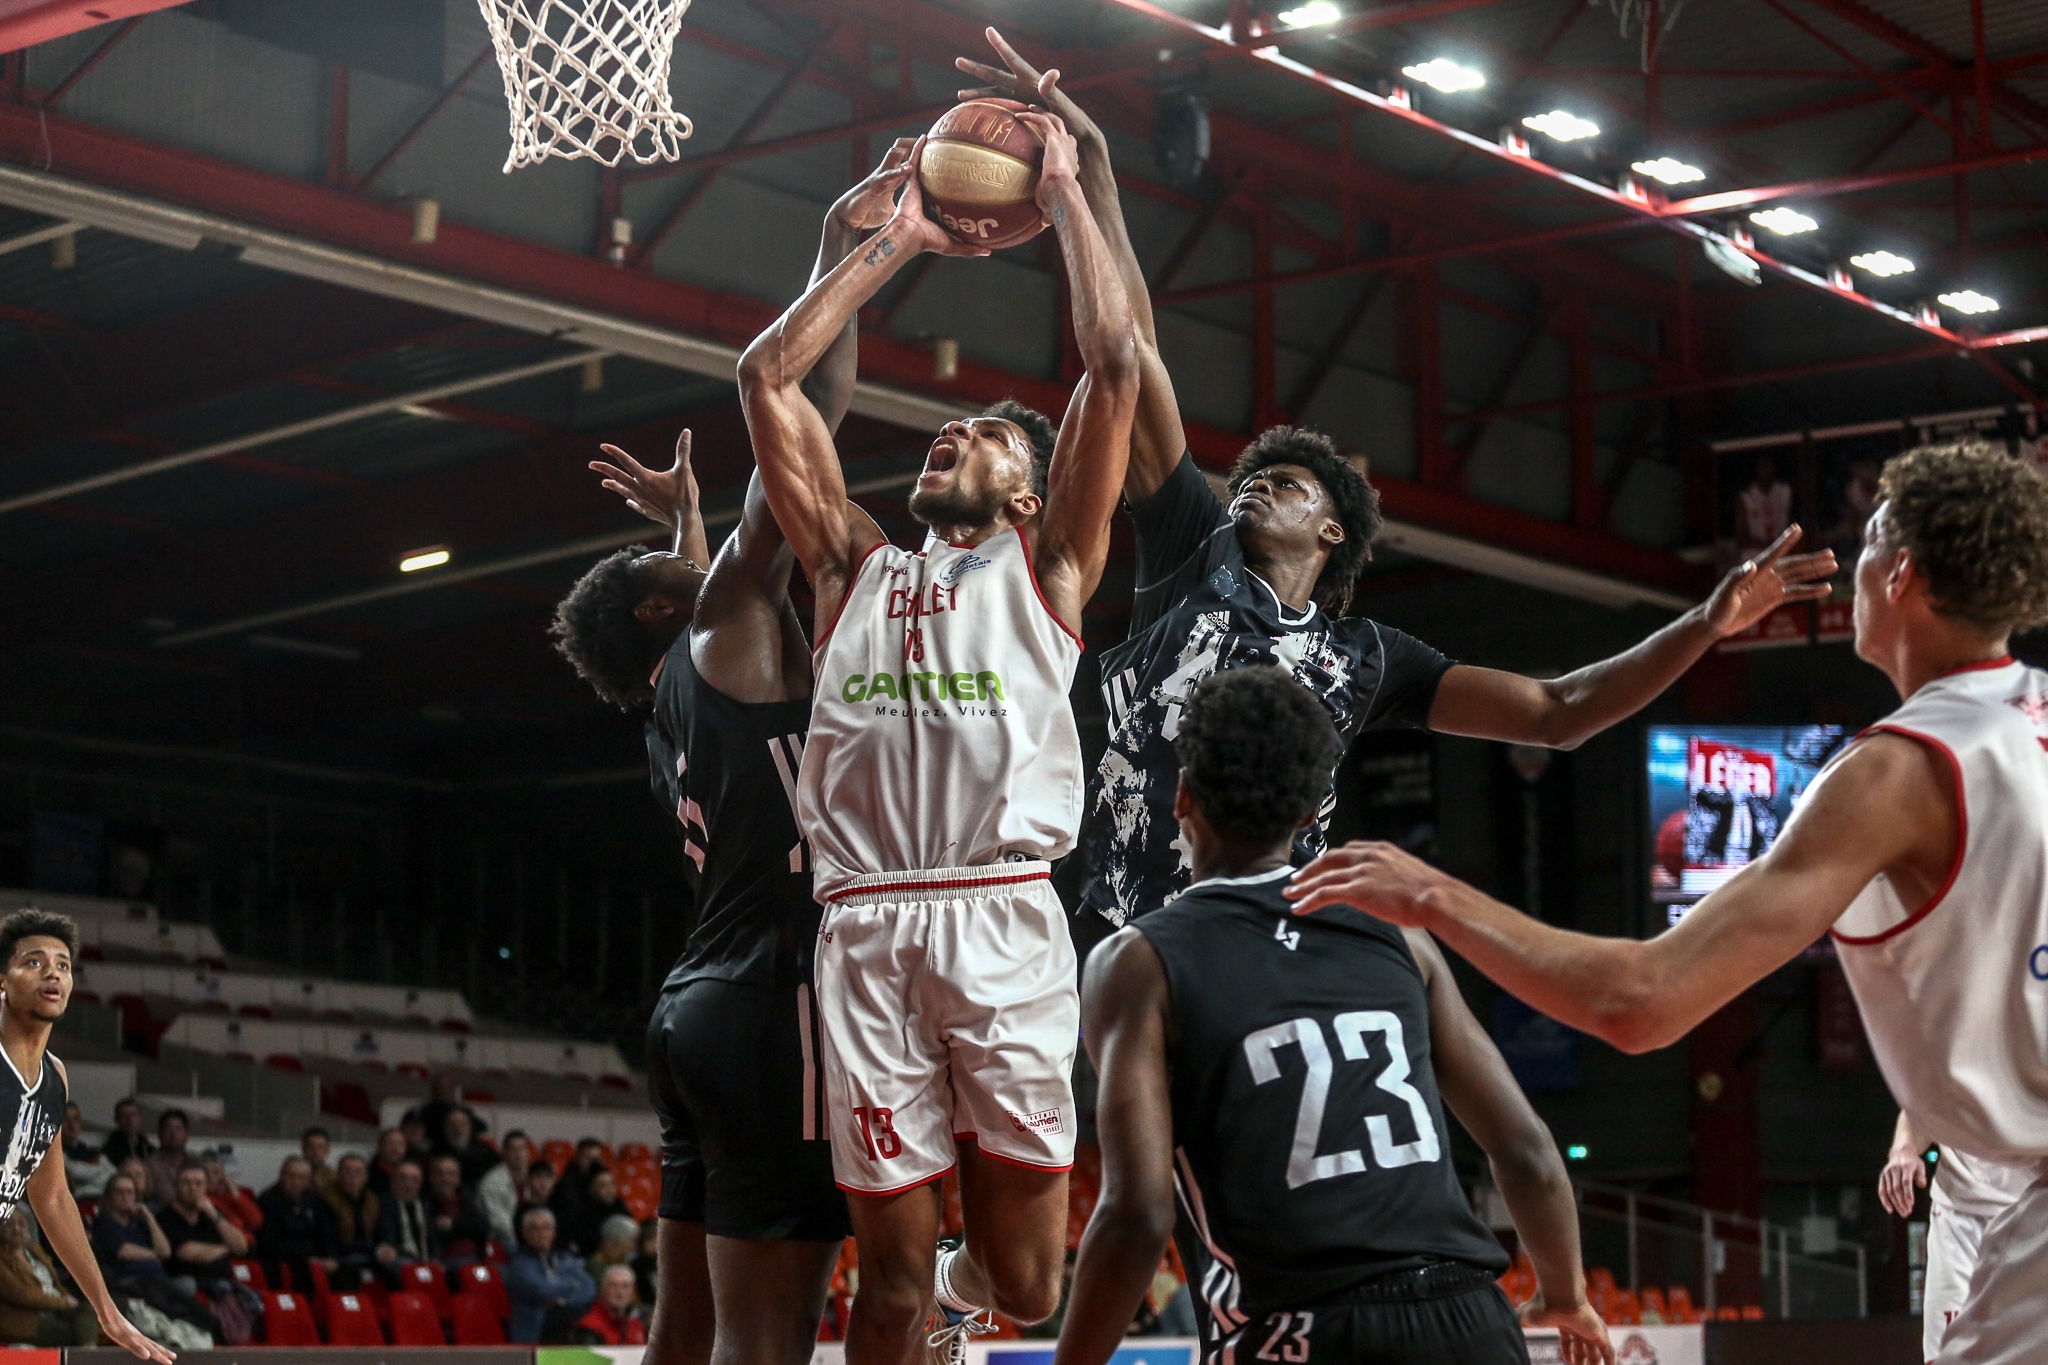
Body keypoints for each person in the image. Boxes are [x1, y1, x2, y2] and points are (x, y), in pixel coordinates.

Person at [948, 30, 1837, 945]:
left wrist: (1710, 622)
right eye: (1249, 479)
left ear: (1334, 531)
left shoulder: (1369, 660)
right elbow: (1131, 353)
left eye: (1284, 483)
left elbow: (1559, 714)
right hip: (1118, 928)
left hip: (1267, 947)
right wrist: (1097, 176)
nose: (1253, 490)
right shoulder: (1192, 550)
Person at [1283, 442, 2048, 1365]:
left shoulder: (1896, 773)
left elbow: (1641, 1001)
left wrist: (1432, 892)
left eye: (1870, 542)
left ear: (1903, 575)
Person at [738, 101, 1141, 1363]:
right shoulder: (848, 567)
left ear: (1022, 489)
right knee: (888, 1287)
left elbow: (1116, 368)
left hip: (1007, 916)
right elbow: (764, 378)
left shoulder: (1051, 568)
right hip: (861, 924)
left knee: (1026, 1288)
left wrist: (1067, 197)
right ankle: (921, 1315)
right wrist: (893, 238)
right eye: (942, 430)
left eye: (978, 436)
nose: (946, 434)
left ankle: (975, 1301)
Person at [553, 149, 920, 1365]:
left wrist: (679, 530)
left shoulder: (675, 694)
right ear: (668, 607)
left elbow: (720, 604)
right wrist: (840, 243)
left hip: (693, 1013)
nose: (699, 563)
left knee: (684, 1346)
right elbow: (805, 419)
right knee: (764, 1348)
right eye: (682, 568)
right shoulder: (714, 629)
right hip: (775, 1003)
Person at [1062, 670, 1610, 1365]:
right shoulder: (1399, 935)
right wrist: (1564, 1291)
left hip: (1300, 1326)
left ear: (1184, 798)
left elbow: (1139, 1214)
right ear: (1306, 813)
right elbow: (1527, 1150)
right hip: (1468, 1318)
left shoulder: (1136, 962)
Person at [0, 911, 170, 1360]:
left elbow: (52, 1197)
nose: (52, 971)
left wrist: (106, 1310)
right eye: (33, 962)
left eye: (63, 964)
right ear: (2, 981)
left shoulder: (54, 1077)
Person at [1878, 1111, 2032, 1363]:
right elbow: (1923, 1106)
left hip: (2034, 1211)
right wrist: (1903, 1149)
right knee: (1949, 1357)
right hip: (1959, 1214)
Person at [91, 1173, 218, 1344]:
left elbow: (165, 1251)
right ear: (110, 1196)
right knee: (173, 1299)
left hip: (158, 1279)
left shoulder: (140, 1223)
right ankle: (206, 1325)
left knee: (186, 1284)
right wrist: (154, 1253)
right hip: (130, 1281)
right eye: (119, 1192)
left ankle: (204, 1326)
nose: (125, 1197)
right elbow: (125, 1252)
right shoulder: (103, 1223)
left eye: (130, 1192)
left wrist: (149, 1218)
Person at [0, 1207, 98, 1346]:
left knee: (86, 1310)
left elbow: (55, 1284)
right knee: (72, 1333)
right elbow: (23, 1295)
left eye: (21, 1223)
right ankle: (89, 1358)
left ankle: (88, 1353)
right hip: (24, 1319)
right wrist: (63, 1302)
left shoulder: (34, 1250)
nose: (16, 1229)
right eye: (9, 1224)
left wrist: (65, 1298)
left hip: (53, 1310)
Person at [506, 1206, 596, 1345]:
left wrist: (562, 1301)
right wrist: (572, 1285)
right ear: (525, 1232)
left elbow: (589, 1288)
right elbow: (544, 1292)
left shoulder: (564, 1258)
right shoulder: (520, 1265)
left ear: (553, 1232)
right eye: (535, 1228)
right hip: (535, 1333)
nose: (542, 1234)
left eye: (547, 1228)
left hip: (567, 1327)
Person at [157, 1161, 251, 1286]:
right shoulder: (164, 1216)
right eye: (186, 1183)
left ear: (206, 1187)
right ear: (176, 1186)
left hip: (221, 1282)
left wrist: (213, 1215)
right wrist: (227, 1248)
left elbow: (241, 1247)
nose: (193, 1188)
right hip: (186, 1283)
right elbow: (187, 1252)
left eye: (198, 1183)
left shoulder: (211, 1213)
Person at [255, 1155, 338, 1296]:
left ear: (308, 1180)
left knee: (346, 1267)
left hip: (315, 1256)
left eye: (302, 1177)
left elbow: (327, 1234)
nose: (296, 1182)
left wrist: (328, 1256)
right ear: (281, 1175)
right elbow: (269, 1243)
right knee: (302, 1269)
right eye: (291, 1176)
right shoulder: (268, 1201)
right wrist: (307, 1259)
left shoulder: (315, 1202)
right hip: (283, 1258)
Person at [321, 1153, 380, 1291]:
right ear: (338, 1174)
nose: (352, 1177)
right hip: (341, 1254)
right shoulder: (326, 1199)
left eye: (358, 1172)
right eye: (347, 1172)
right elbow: (329, 1240)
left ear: (366, 1177)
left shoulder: (372, 1200)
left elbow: (378, 1231)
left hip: (369, 1253)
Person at [372, 1158, 437, 1277]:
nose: (408, 1184)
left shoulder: (426, 1206)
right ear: (394, 1180)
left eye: (414, 1180)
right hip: (400, 1257)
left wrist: (435, 1258)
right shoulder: (383, 1205)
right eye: (403, 1178)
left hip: (425, 1258)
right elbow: (386, 1237)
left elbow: (432, 1238)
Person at [424, 1153, 492, 1266]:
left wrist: (454, 1224)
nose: (445, 1179)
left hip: (476, 1256)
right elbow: (434, 1232)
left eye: (451, 1174)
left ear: (458, 1178)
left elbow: (482, 1225)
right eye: (440, 1173)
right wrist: (465, 1226)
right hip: (445, 1259)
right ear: (431, 1177)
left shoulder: (467, 1199)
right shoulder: (426, 1202)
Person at [478, 1130, 532, 1247]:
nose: (518, 1154)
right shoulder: (492, 1181)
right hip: (502, 1237)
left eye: (522, 1149)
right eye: (513, 1150)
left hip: (533, 1235)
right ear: (504, 1152)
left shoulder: (534, 1176)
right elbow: (498, 1221)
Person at [575, 1264, 648, 1346]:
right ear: (602, 1289)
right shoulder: (590, 1326)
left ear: (633, 1292)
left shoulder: (638, 1322)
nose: (620, 1293)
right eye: (613, 1286)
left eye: (625, 1286)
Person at [201, 1153, 262, 1236]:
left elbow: (256, 1222)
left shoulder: (237, 1194)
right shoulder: (201, 1198)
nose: (210, 1176)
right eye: (205, 1172)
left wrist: (236, 1196)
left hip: (246, 1243)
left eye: (215, 1172)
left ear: (223, 1176)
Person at [61, 1102, 113, 1199]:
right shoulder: (54, 1154)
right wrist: (100, 1170)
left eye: (75, 1119)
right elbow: (74, 1172)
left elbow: (112, 1177)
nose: (71, 1125)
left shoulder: (94, 1153)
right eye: (65, 1119)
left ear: (80, 1123)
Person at [142, 1111, 188, 1204]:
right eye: (169, 1129)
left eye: (178, 1129)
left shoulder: (196, 1162)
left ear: (186, 1135)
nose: (174, 1134)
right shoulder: (148, 1166)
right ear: (159, 1133)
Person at [586, 1213, 640, 1282]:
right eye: (632, 1241)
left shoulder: (625, 1261)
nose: (635, 1245)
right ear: (617, 1241)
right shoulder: (596, 1265)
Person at [100, 1100, 153, 1169]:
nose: (130, 1119)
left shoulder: (150, 1149)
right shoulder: (110, 1151)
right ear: (116, 1119)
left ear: (140, 1118)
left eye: (134, 1114)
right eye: (124, 1115)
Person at [367, 1126, 409, 1199]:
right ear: (380, 1146)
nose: (395, 1149)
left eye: (400, 1144)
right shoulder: (367, 1175)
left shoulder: (412, 1174)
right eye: (390, 1143)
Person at [300, 1127, 336, 1195]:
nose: (315, 1152)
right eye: (311, 1146)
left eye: (320, 1147)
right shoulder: (293, 1176)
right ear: (303, 1148)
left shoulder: (336, 1178)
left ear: (327, 1150)